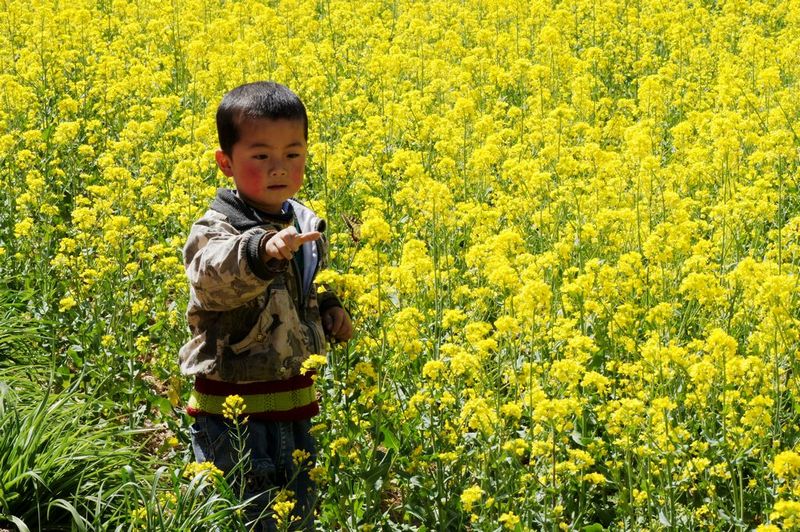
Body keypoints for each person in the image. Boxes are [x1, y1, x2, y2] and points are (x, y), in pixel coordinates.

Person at [179, 81, 353, 530]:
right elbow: (211, 278)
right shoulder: (216, 227)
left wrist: (330, 308)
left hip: (294, 406)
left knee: (298, 515)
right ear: (226, 163)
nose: (279, 167)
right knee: (241, 517)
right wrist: (261, 250)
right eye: (261, 156)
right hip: (232, 417)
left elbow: (309, 284)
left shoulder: (303, 222)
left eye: (293, 154)